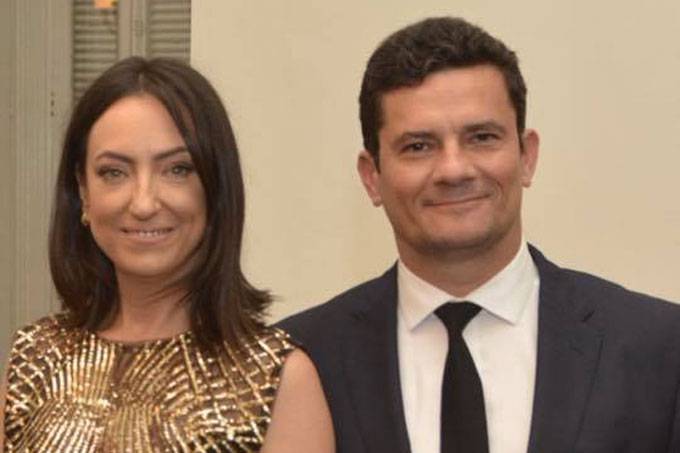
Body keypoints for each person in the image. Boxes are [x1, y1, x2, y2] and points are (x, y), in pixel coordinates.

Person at [279, 16, 680, 453]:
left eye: (482, 137)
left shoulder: (660, 348)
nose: (454, 170)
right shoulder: (295, 361)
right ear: (372, 176)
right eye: (418, 146)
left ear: (526, 156)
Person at [0, 57, 334, 452]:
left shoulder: (277, 378)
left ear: (215, 190)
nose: (143, 203)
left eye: (177, 170)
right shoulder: (36, 358)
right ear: (84, 194)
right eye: (114, 172)